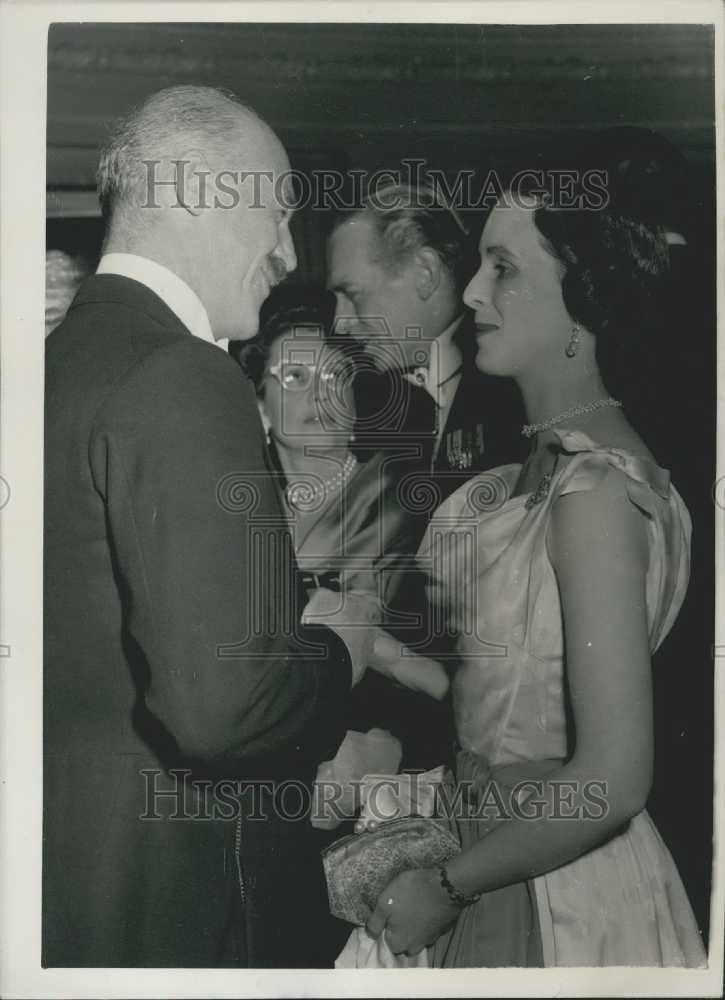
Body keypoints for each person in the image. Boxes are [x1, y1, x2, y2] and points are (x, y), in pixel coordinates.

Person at [44, 85, 375, 968]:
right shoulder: (183, 373)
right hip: (173, 903)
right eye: (277, 210)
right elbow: (221, 710)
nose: (286, 251)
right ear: (196, 193)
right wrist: (337, 650)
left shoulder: (54, 366)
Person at [361, 175, 708, 966]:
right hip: (495, 850)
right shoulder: (539, 470)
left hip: (554, 888)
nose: (474, 290)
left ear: (581, 301)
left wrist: (447, 884)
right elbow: (511, 708)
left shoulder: (594, 492)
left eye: (503, 268)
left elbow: (615, 777)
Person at [234, 292, 449, 764]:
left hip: (397, 756)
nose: (319, 394)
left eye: (335, 376)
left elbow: (443, 669)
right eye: (294, 377)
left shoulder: (405, 499)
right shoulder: (241, 513)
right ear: (261, 407)